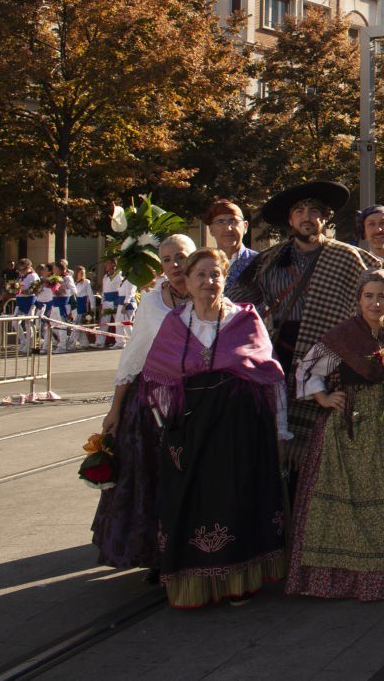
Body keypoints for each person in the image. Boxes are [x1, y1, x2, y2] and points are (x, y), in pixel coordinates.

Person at [146, 249, 288, 608]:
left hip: (241, 429)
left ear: (225, 279)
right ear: (188, 281)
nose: (209, 282)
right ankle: (196, 586)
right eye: (201, 275)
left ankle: (239, 582)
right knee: (194, 503)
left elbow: (271, 379)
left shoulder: (245, 319)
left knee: (237, 501)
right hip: (191, 430)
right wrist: (167, 428)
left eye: (216, 275)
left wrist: (281, 431)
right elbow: (157, 379)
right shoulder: (175, 324)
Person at [287, 270, 384, 600]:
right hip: (347, 429)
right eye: (368, 296)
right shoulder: (341, 337)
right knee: (346, 503)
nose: (374, 302)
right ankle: (344, 577)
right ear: (358, 300)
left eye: (381, 296)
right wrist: (323, 397)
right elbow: (306, 371)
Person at [229, 180, 380, 463]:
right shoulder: (268, 261)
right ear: (290, 219)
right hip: (283, 359)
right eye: (299, 211)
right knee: (285, 441)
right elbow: (233, 305)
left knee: (327, 445)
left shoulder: (348, 258)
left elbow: (376, 304)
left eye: (314, 210)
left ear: (325, 217)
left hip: (335, 361)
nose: (307, 217)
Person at [93, 234, 195, 574]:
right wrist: (115, 408)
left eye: (180, 257)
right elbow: (133, 357)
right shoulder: (151, 303)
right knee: (151, 478)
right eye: (167, 260)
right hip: (151, 404)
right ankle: (156, 554)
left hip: (198, 402)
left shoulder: (211, 296)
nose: (175, 265)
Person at [206, 200, 260, 287]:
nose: (228, 228)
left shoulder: (260, 263)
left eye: (233, 221)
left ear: (245, 226)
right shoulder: (204, 264)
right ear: (211, 230)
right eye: (221, 222)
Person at [72, 266, 94, 345]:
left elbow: (90, 295)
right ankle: (84, 343)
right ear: (77, 273)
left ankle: (72, 343)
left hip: (82, 305)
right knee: (78, 325)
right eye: (81, 273)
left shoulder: (86, 282)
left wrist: (92, 307)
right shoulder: (74, 283)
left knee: (77, 325)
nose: (82, 274)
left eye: (83, 273)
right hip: (75, 305)